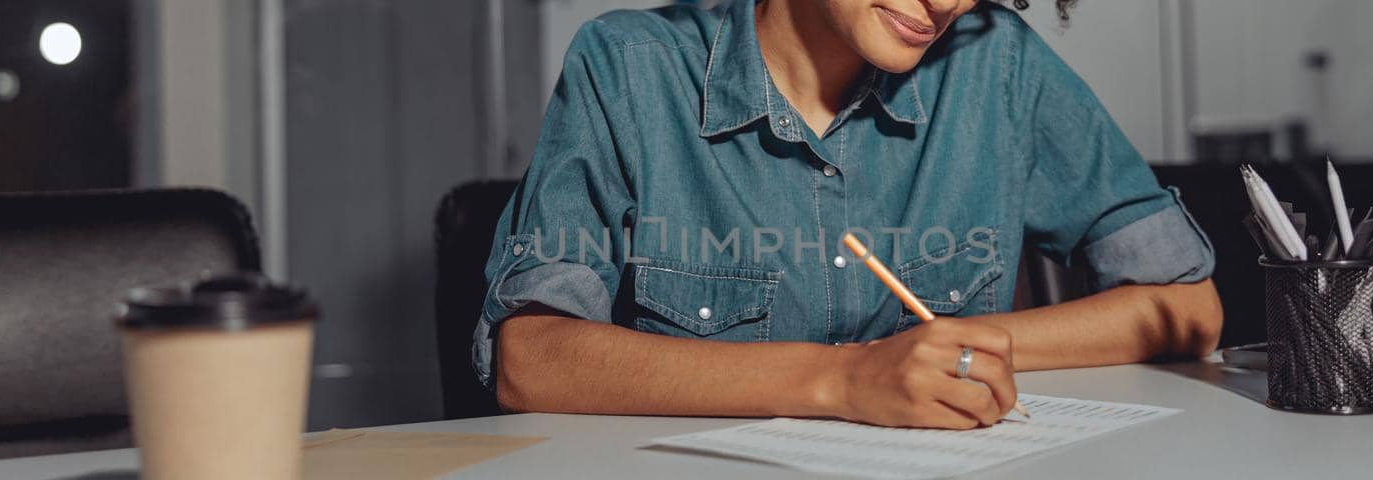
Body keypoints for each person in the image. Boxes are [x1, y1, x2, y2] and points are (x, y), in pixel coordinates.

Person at [475, 0, 1222, 430]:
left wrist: (959, 357)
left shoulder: (998, 64)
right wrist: (845, 380)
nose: (944, 2)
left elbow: (1186, 307)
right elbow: (530, 360)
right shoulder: (629, 67)